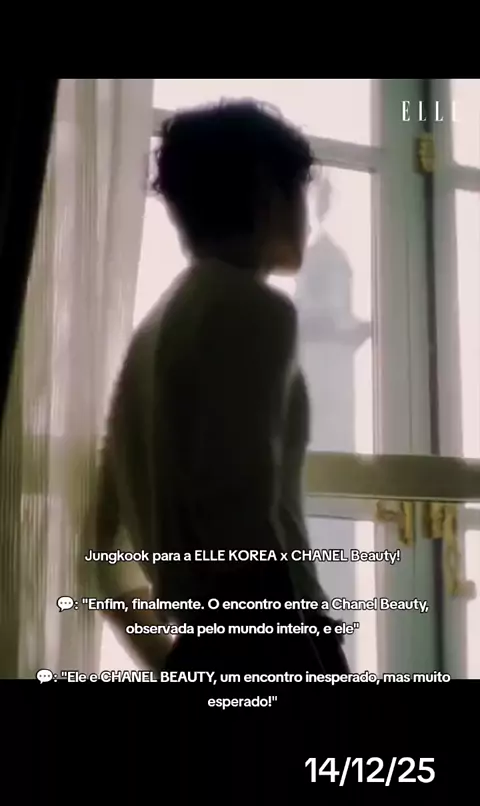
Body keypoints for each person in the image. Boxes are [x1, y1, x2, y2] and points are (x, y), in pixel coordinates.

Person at [94, 99, 349, 686]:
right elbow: (241, 525)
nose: (305, 214)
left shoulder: (155, 328)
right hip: (276, 643)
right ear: (267, 196)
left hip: (211, 645)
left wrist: (178, 660)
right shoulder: (253, 309)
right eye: (298, 190)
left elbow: (105, 544)